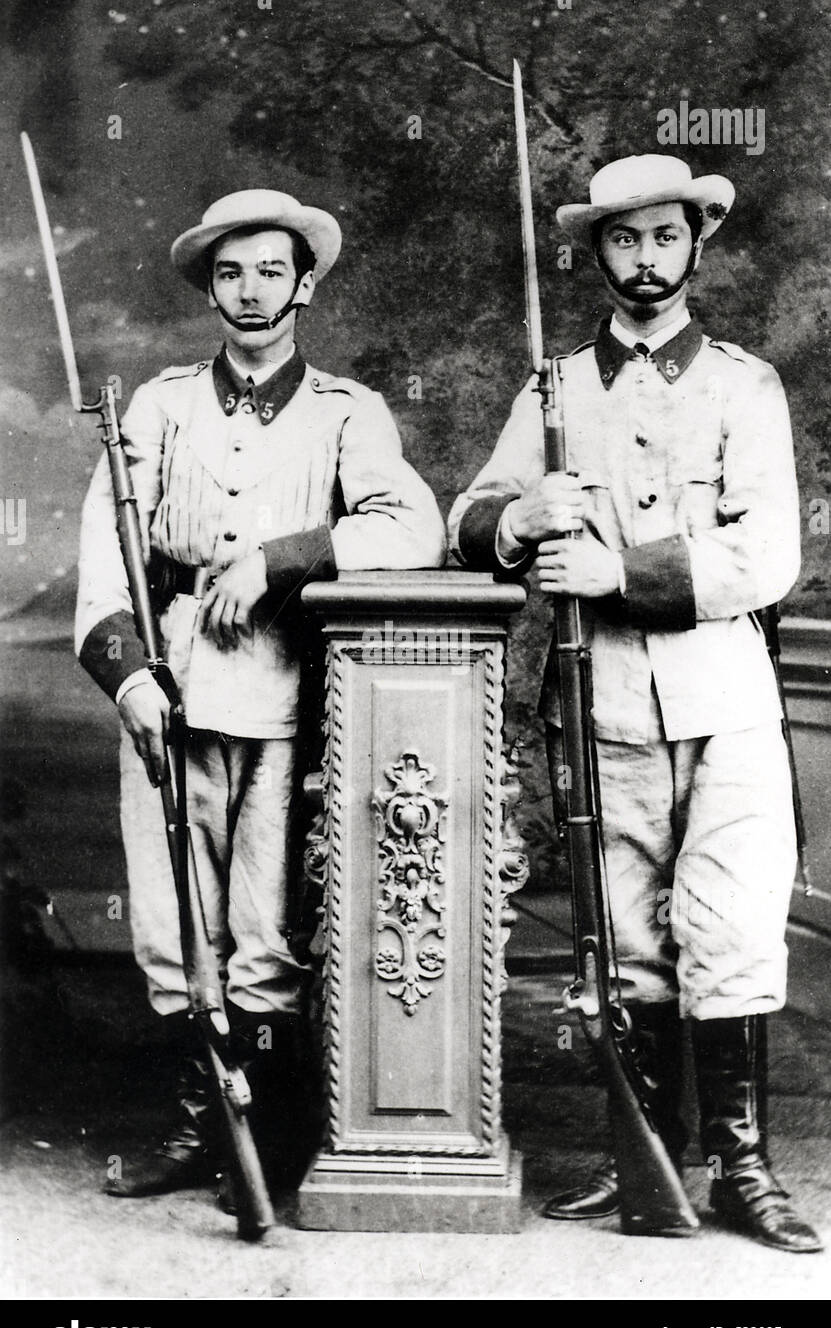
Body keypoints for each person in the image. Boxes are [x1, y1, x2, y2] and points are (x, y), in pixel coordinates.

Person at [448, 155, 822, 1253]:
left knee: (731, 927)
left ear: (696, 245)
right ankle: (645, 1158)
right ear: (595, 252)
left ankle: (743, 1167)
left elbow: (767, 556)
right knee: (627, 937)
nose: (645, 260)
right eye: (623, 241)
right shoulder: (553, 390)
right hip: (603, 702)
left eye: (665, 238)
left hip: (726, 702)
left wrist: (618, 572)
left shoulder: (746, 386)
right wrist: (521, 521)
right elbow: (466, 517)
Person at [75, 188, 446, 1204]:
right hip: (173, 690)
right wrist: (128, 676)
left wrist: (284, 558)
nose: (251, 290)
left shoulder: (345, 410)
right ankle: (200, 1126)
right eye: (230, 271)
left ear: (306, 284)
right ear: (209, 285)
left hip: (285, 696)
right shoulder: (157, 405)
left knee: (263, 927)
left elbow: (413, 529)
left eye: (272, 270)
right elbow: (107, 551)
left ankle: (268, 1133)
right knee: (171, 920)